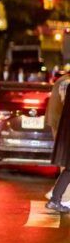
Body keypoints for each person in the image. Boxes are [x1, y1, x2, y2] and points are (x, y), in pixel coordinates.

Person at [46, 73, 70, 212]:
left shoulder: (65, 82)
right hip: (65, 129)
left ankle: (55, 199)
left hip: (65, 129)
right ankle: (57, 198)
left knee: (68, 169)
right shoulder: (66, 82)